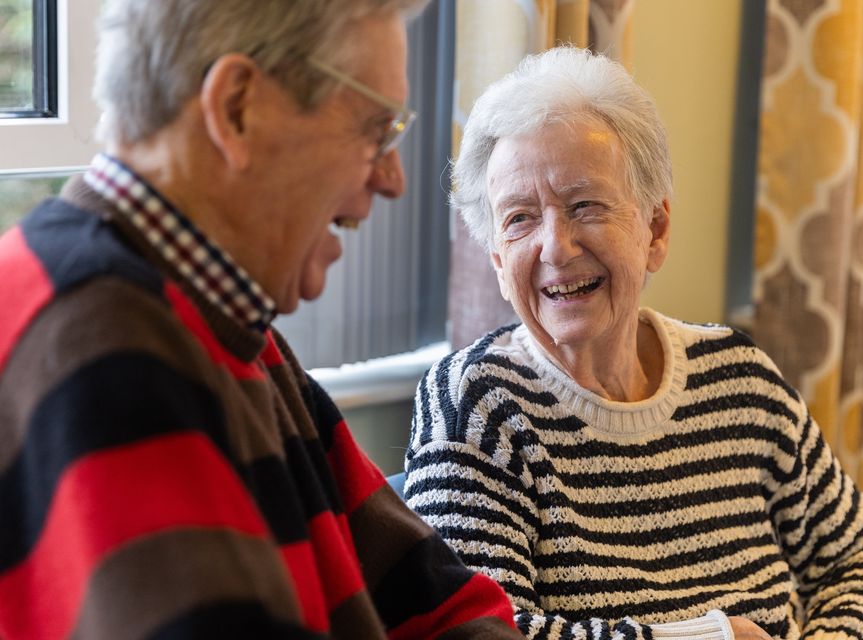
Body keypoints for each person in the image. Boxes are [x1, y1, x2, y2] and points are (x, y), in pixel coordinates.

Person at [0, 1, 522, 638]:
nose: (393, 180)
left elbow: (441, 603)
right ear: (237, 108)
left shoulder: (229, 324)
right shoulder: (105, 349)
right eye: (374, 130)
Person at [403, 47, 863, 640]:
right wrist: (714, 637)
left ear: (655, 230)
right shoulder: (476, 404)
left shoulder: (737, 377)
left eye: (584, 205)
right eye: (520, 219)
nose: (555, 247)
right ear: (498, 259)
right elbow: (479, 632)